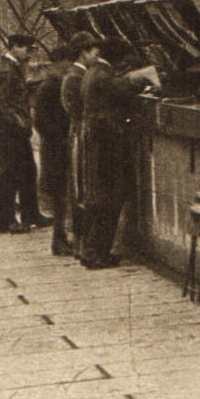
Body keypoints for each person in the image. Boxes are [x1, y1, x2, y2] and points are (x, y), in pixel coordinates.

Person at [78, 37, 154, 268]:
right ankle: (96, 254)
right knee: (108, 199)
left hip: (97, 142)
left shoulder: (93, 72)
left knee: (98, 200)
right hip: (107, 145)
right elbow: (122, 89)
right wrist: (146, 78)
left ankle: (91, 251)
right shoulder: (103, 75)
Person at [0, 33, 52, 235]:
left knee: (27, 172)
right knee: (9, 175)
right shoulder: (7, 70)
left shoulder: (10, 68)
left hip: (15, 130)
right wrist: (19, 122)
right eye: (26, 48)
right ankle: (7, 221)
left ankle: (31, 214)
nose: (29, 53)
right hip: (10, 131)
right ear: (14, 47)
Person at [60, 31, 103, 260]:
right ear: (83, 52)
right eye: (94, 51)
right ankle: (82, 244)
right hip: (81, 137)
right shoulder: (77, 77)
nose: (97, 56)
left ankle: (81, 243)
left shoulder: (75, 75)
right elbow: (78, 110)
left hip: (78, 135)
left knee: (80, 189)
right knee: (81, 190)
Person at [34, 43, 74, 256]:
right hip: (55, 149)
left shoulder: (50, 83)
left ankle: (61, 240)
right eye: (67, 63)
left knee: (61, 196)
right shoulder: (51, 85)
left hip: (54, 147)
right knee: (60, 196)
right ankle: (59, 242)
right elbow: (40, 121)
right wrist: (61, 137)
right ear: (60, 62)